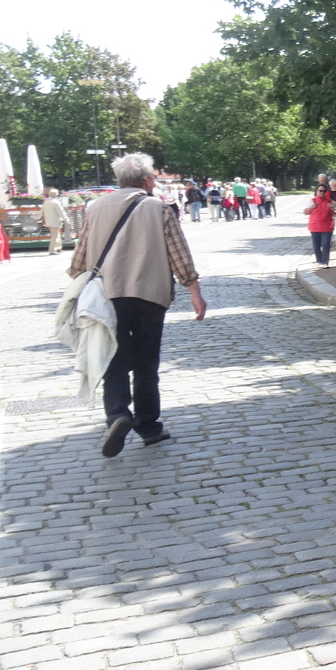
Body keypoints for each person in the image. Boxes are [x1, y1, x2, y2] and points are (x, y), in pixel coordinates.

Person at [66, 152, 208, 457]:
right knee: (146, 363)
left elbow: (79, 260)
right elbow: (178, 253)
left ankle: (117, 414)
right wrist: (193, 289)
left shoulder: (95, 208)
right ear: (147, 180)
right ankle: (149, 426)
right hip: (149, 295)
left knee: (113, 358)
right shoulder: (158, 208)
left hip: (108, 296)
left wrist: (80, 287)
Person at [305, 180, 336, 266]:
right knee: (316, 245)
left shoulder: (330, 202)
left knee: (326, 244)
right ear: (316, 191)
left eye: (324, 191)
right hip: (315, 227)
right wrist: (311, 207)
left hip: (327, 227)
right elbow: (305, 212)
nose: (322, 193)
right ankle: (319, 260)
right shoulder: (312, 201)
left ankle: (325, 262)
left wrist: (332, 209)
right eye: (320, 191)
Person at [42, 188, 68, 255]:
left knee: (56, 235)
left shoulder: (46, 202)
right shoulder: (56, 202)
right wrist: (67, 220)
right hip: (56, 221)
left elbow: (42, 211)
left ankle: (58, 247)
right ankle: (52, 250)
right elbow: (61, 212)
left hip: (48, 221)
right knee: (55, 236)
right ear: (56, 195)